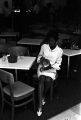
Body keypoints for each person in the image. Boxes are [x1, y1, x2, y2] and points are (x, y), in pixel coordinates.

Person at [36, 30, 63, 116]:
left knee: (48, 80)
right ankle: (40, 106)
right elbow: (39, 57)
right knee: (41, 79)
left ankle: (43, 95)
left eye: (52, 41)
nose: (50, 42)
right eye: (49, 40)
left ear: (56, 41)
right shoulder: (44, 46)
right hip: (42, 67)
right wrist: (42, 59)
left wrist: (50, 67)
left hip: (51, 69)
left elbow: (58, 64)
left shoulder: (60, 51)